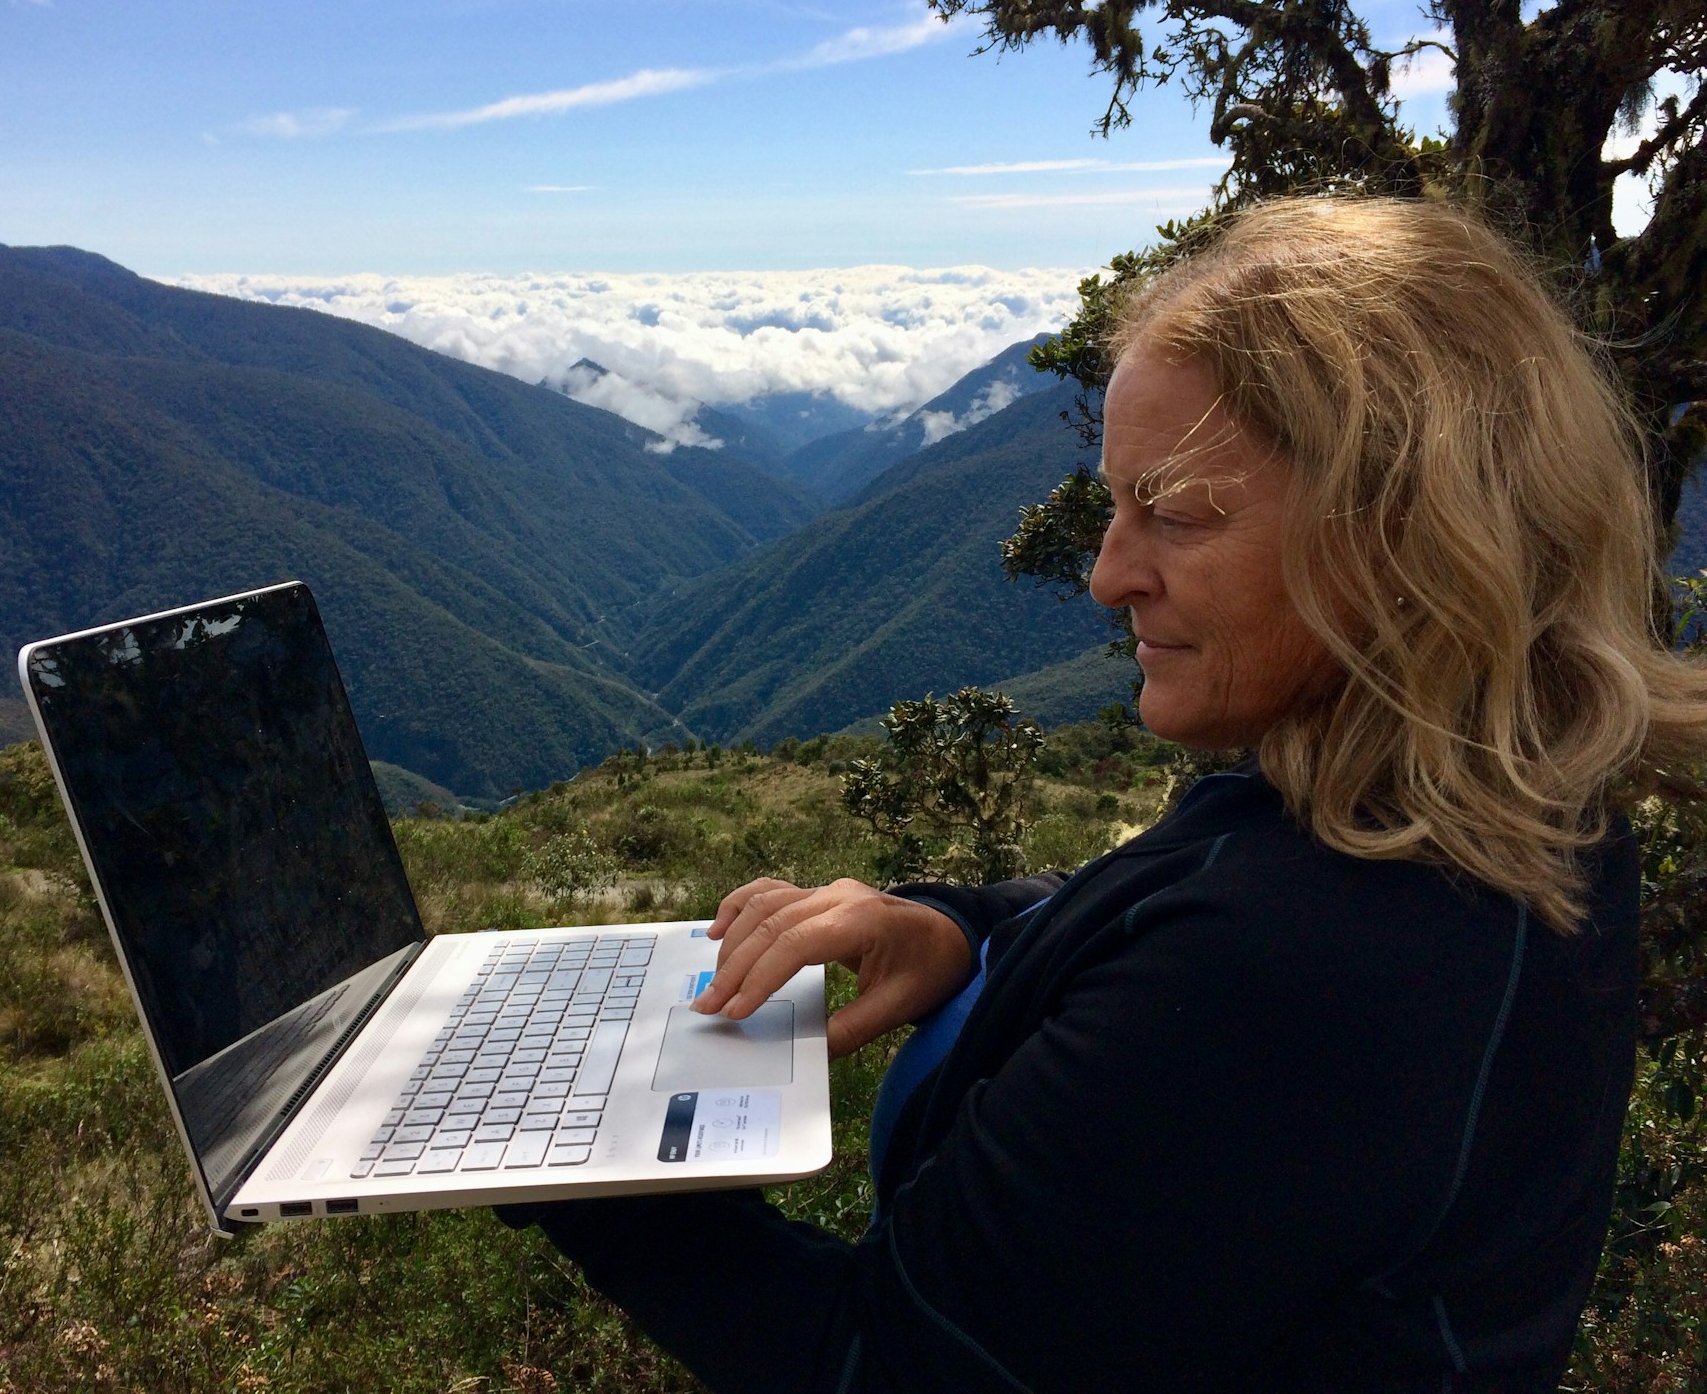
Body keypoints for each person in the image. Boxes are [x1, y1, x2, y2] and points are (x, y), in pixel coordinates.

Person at [497, 196, 1707, 1392]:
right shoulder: (1491, 817)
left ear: (1404, 536)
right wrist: (955, 928)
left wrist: (562, 1149)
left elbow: (882, 1366)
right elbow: (1145, 900)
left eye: (1170, 514)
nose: (1107, 576)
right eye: (1115, 503)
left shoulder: (1306, 964)